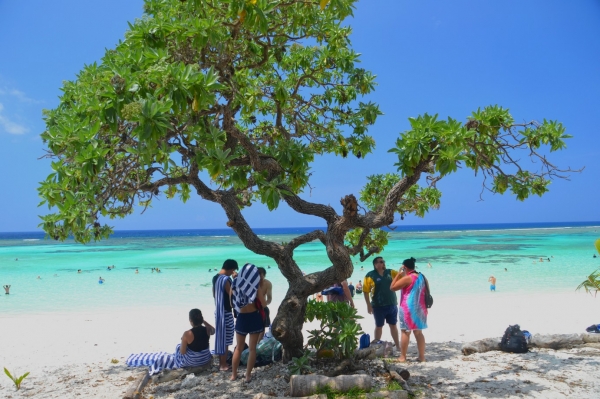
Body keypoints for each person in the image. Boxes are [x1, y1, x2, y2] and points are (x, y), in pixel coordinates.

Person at [127, 308, 214, 375]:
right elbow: (213, 330)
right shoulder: (207, 329)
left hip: (193, 362)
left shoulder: (187, 333)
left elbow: (183, 352)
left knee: (178, 347)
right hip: (205, 359)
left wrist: (183, 341)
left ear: (191, 321)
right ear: (201, 319)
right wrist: (204, 321)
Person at [230, 263, 264, 383]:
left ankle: (234, 375)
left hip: (242, 317)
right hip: (254, 317)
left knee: (238, 348)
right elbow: (263, 303)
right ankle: (248, 375)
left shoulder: (234, 283)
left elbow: (232, 303)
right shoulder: (255, 286)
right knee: (252, 348)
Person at [390, 257, 428, 362]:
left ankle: (402, 357)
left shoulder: (408, 278)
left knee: (405, 332)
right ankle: (422, 357)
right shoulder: (422, 277)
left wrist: (398, 273)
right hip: (420, 308)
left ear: (405, 267)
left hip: (408, 308)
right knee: (418, 333)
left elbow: (392, 287)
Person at [363, 257, 400, 350]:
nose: (383, 263)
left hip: (392, 304)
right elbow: (365, 291)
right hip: (378, 306)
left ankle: (398, 346)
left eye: (383, 261)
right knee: (379, 326)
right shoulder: (370, 275)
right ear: (376, 264)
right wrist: (368, 305)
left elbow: (402, 277)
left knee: (393, 326)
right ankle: (376, 347)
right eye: (381, 262)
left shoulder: (391, 272)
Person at [213, 259, 238, 371]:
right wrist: (236, 280)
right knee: (226, 339)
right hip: (226, 312)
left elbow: (214, 294)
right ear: (232, 269)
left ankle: (220, 363)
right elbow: (232, 294)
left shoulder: (215, 277)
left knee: (220, 337)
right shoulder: (226, 279)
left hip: (218, 311)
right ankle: (223, 365)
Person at [256, 267, 273, 342]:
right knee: (253, 330)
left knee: (262, 330)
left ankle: (257, 346)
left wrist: (265, 304)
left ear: (264, 275)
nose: (259, 279)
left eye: (261, 276)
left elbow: (269, 298)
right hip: (253, 308)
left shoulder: (268, 283)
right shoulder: (252, 283)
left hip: (263, 307)